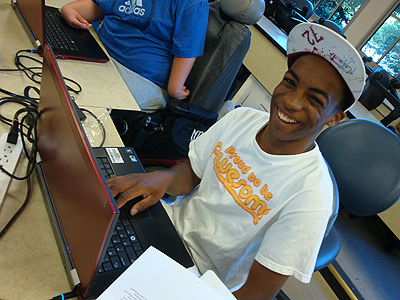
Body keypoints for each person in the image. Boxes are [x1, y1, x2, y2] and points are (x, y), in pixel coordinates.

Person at [106, 22, 366, 300]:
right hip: (165, 230)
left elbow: (254, 294)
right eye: (290, 82)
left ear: (335, 117)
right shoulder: (242, 119)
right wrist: (166, 178)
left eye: (314, 99)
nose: (291, 101)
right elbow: (192, 174)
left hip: (199, 279)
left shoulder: (311, 197)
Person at [61, 0, 209, 111]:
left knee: (77, 105)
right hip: (101, 53)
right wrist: (70, 9)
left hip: (140, 76)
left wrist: (175, 89)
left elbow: (187, 48)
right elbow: (103, 6)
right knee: (55, 81)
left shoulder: (193, 3)